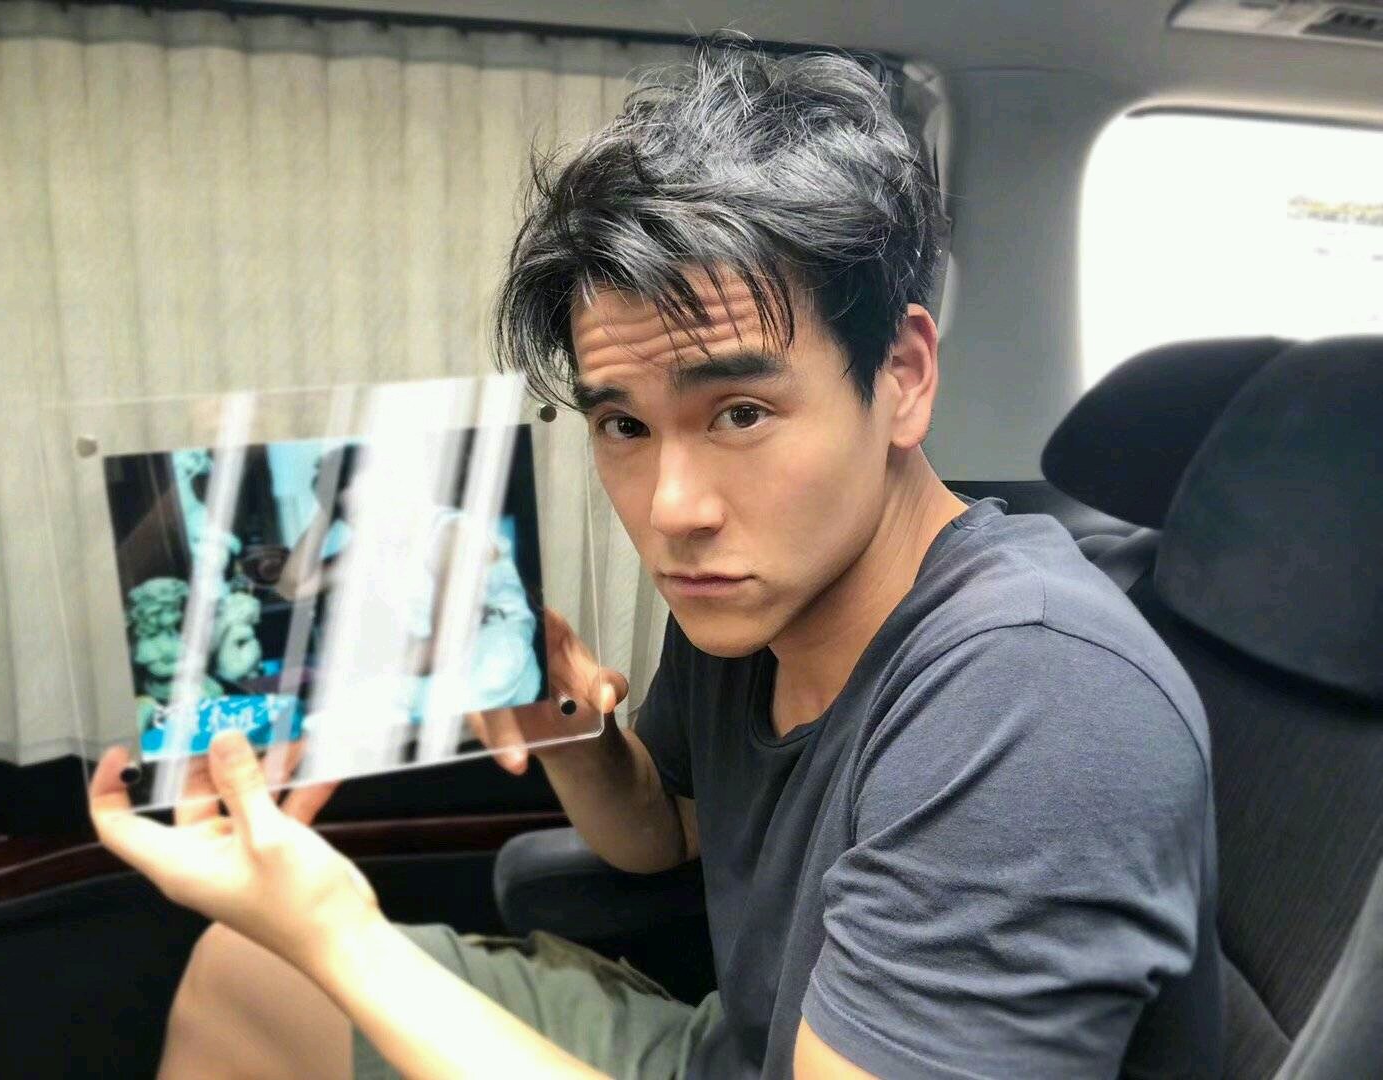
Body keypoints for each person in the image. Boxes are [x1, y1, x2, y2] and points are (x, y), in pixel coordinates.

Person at [89, 44, 1220, 1079]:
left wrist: (337, 932)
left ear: (904, 378)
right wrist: (560, 724)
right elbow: (662, 837)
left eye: (740, 412)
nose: (672, 512)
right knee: (246, 971)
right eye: (623, 425)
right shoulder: (752, 603)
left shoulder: (1038, 697)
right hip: (724, 1049)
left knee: (310, 960)